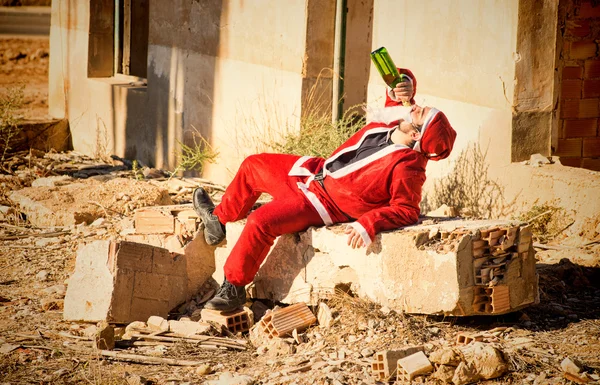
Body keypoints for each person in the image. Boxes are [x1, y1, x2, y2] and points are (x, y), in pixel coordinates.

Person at [193, 68, 457, 311]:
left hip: (321, 205)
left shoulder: (408, 168)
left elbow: (406, 210)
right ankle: (218, 222)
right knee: (253, 166)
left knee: (260, 221)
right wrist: (404, 83)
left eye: (420, 113)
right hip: (311, 172)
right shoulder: (395, 122)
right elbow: (398, 92)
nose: (415, 106)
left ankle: (234, 288)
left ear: (415, 135)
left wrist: (370, 222)